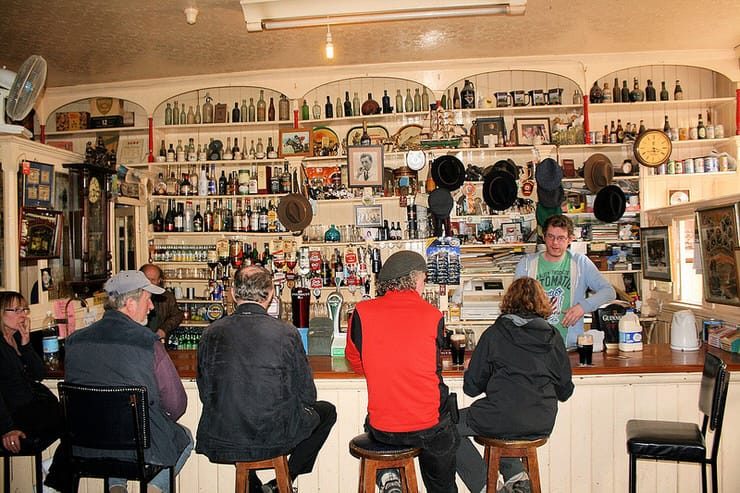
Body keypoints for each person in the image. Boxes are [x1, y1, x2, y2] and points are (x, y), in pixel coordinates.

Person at [196, 266, 336, 493]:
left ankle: (257, 487)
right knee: (327, 411)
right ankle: (282, 481)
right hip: (275, 434)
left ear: (233, 293)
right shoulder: (285, 333)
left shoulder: (211, 332)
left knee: (236, 423)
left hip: (223, 435)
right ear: (271, 294)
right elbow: (308, 395)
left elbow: (205, 392)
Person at [63, 271, 193, 493]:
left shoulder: (74, 341)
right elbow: (176, 403)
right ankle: (153, 490)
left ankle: (117, 488)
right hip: (141, 446)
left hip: (85, 445)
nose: (151, 307)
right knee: (184, 438)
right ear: (131, 303)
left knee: (116, 438)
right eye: (147, 299)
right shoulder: (148, 343)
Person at [346, 250, 459, 493]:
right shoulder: (433, 315)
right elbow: (433, 365)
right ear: (414, 278)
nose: (424, 283)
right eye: (424, 278)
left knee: (374, 423)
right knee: (446, 437)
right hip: (428, 426)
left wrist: (381, 366)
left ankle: (390, 475)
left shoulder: (362, 312)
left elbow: (355, 360)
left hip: (384, 428)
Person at [455, 277, 574, 492]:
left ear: (508, 301)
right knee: (502, 420)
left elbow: (471, 388)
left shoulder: (494, 334)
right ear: (542, 303)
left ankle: (485, 486)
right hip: (541, 421)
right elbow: (565, 390)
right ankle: (517, 477)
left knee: (447, 428)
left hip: (500, 416)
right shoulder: (553, 336)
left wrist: (474, 369)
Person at [0, 291, 71, 491]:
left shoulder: (14, 338)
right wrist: (7, 428)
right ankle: (54, 478)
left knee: (78, 418)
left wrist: (25, 342)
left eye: (24, 309)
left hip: (31, 406)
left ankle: (53, 472)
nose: (23, 315)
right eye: (16, 310)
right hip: (15, 414)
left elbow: (39, 373)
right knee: (75, 420)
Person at [515, 214, 615, 348]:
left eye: (561, 238)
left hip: (570, 346)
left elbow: (609, 292)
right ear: (544, 237)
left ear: (570, 240)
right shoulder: (526, 264)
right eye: (551, 237)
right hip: (534, 345)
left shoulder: (581, 263)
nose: (555, 243)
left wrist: (583, 307)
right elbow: (515, 304)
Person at [140, 264, 184, 342]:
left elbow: (177, 315)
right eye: (146, 279)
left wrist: (164, 329)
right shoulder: (132, 296)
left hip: (157, 340)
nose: (149, 283)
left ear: (159, 280)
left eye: (152, 280)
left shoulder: (166, 296)